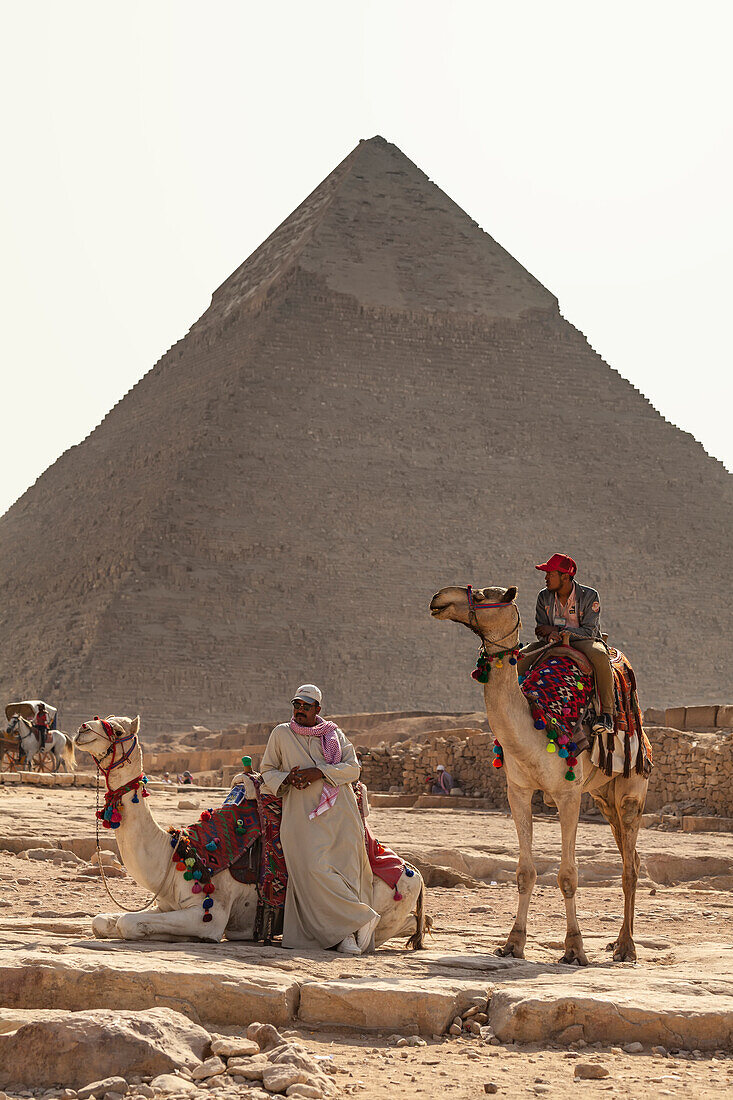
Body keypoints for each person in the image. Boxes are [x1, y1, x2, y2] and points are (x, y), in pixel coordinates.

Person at [260, 683, 379, 955]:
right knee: (311, 868)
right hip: (302, 814)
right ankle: (359, 919)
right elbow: (267, 769)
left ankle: (345, 935)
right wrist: (287, 778)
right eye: (296, 705)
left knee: (344, 872)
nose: (299, 710)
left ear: (318, 709)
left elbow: (353, 769)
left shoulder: (334, 734)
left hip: (340, 813)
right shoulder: (281, 733)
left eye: (306, 706)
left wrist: (319, 772)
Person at [517, 553, 615, 734]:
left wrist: (558, 632)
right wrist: (550, 635)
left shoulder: (589, 596)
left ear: (565, 576)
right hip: (552, 643)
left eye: (550, 574)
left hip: (583, 641)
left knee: (601, 656)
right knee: (520, 657)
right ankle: (514, 705)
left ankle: (607, 714)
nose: (545, 578)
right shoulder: (543, 597)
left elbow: (590, 631)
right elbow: (541, 630)